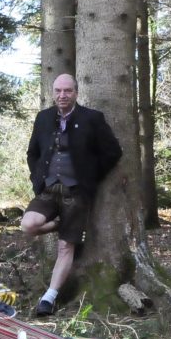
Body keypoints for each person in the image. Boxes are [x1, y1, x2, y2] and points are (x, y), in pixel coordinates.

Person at [21, 74, 122, 316]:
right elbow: (32, 153)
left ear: (76, 92)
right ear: (53, 92)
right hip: (48, 189)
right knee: (28, 225)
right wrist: (37, 179)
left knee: (66, 246)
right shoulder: (43, 118)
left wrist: (90, 176)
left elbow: (113, 152)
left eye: (67, 91)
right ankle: (58, 224)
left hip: (77, 193)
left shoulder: (92, 119)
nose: (62, 95)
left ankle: (49, 297)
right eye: (58, 90)